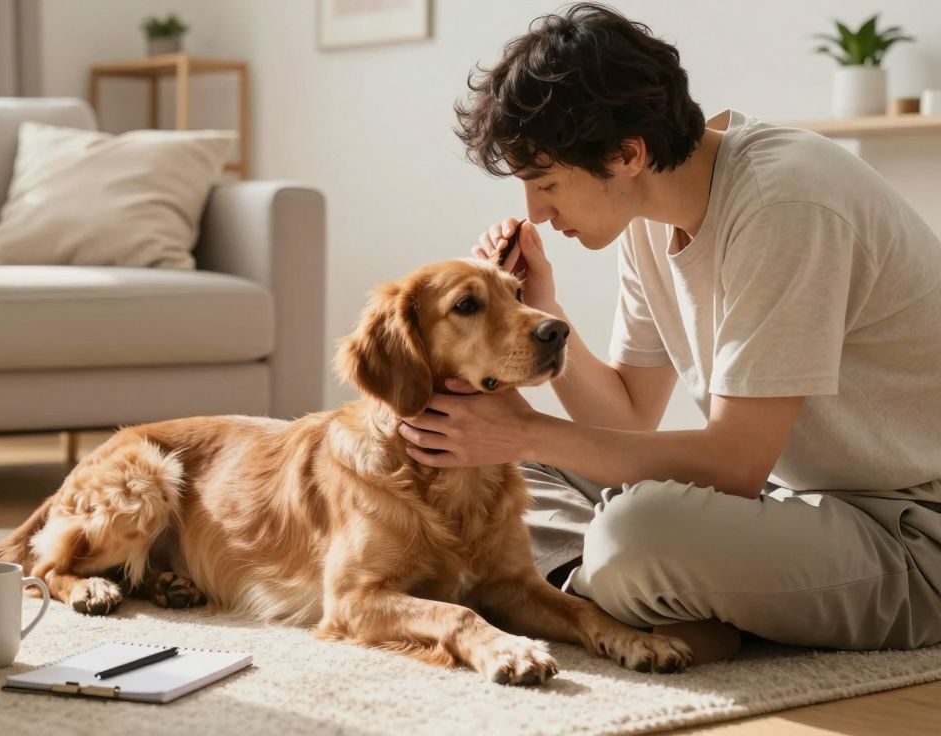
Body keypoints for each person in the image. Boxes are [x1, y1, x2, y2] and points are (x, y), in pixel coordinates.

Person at [396, 2, 941, 663]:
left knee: (635, 532)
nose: (535, 212)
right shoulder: (650, 218)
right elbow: (627, 419)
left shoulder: (785, 204)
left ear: (627, 153)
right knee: (509, 473)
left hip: (910, 538)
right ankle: (640, 606)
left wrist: (525, 428)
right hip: (790, 504)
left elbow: (735, 465)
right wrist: (546, 310)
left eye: (546, 184)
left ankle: (586, 596)